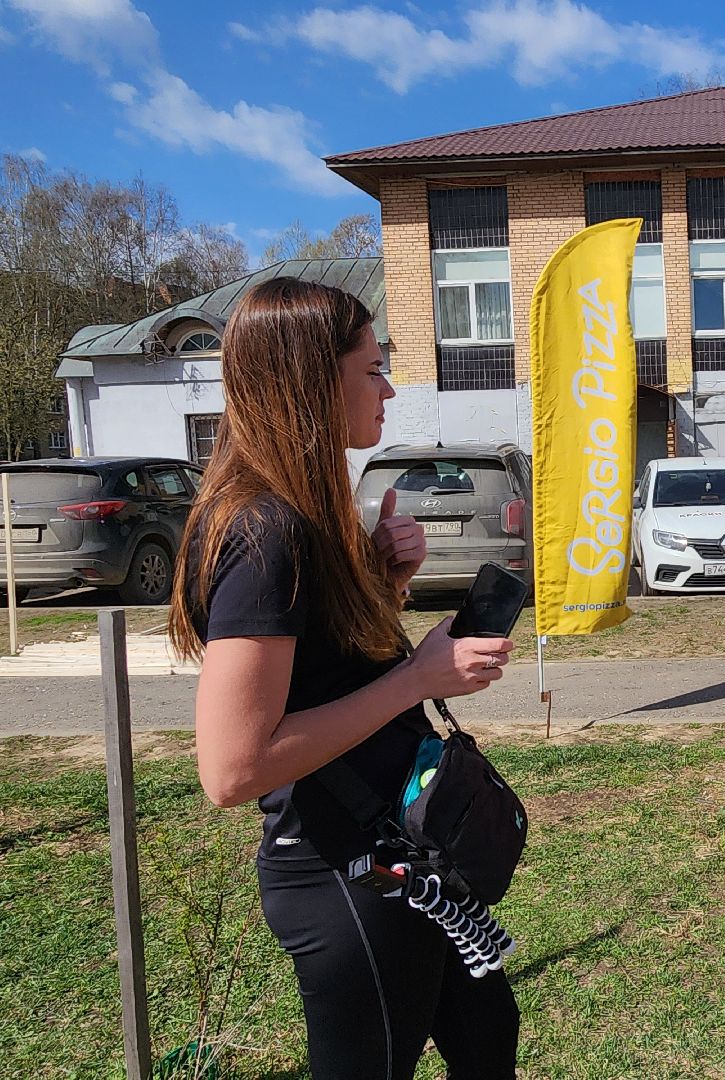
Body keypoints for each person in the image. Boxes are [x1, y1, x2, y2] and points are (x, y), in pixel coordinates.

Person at [168, 278, 520, 1080]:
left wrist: (382, 583)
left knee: (487, 1037)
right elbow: (231, 769)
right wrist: (417, 678)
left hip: (401, 854)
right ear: (313, 381)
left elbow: (321, 674)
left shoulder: (307, 517)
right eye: (372, 369)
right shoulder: (264, 531)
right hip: (344, 872)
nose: (388, 389)